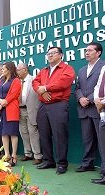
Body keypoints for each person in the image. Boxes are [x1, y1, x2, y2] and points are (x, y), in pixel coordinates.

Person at [32, 46, 75, 174]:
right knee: (44, 134)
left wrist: (46, 88)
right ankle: (48, 160)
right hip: (43, 105)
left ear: (61, 55)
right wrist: (42, 91)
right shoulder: (44, 70)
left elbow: (64, 82)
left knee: (59, 135)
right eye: (48, 53)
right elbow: (35, 82)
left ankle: (61, 163)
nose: (50, 55)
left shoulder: (67, 69)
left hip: (59, 104)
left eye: (53, 53)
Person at [75, 42, 104, 172]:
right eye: (86, 50)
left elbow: (101, 87)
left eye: (90, 50)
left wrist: (90, 99)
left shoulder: (103, 66)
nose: (87, 52)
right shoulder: (81, 70)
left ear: (98, 53)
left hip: (98, 109)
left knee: (102, 141)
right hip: (84, 110)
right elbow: (77, 88)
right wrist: (80, 98)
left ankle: (104, 168)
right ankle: (88, 164)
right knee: (87, 139)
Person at [0, 62, 21, 166]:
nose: (2, 70)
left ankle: (14, 156)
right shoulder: (1, 80)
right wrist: (0, 101)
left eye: (4, 68)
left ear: (9, 69)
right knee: (3, 133)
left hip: (11, 109)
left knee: (13, 133)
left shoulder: (16, 80)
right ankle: (7, 155)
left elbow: (12, 95)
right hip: (2, 110)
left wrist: (1, 104)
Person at [17, 63, 42, 165]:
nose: (17, 72)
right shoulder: (17, 82)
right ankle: (28, 153)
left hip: (31, 110)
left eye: (19, 70)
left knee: (33, 133)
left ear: (25, 70)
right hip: (20, 110)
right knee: (23, 133)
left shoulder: (34, 80)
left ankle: (38, 155)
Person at [92, 65, 105, 185]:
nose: (87, 52)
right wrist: (97, 100)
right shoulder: (103, 68)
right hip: (102, 113)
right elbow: (98, 86)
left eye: (90, 50)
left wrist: (103, 102)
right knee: (103, 145)